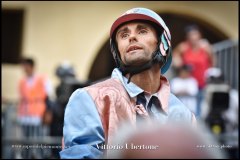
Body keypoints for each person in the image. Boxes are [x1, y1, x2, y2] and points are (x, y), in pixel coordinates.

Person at [60, 8, 196, 159]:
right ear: (117, 51)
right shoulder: (89, 99)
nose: (131, 37)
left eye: (142, 31)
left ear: (162, 42)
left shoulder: (184, 115)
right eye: (124, 35)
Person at [172, 25, 216, 117]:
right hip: (188, 83)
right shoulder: (183, 47)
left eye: (195, 34)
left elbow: (213, 61)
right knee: (187, 107)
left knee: (200, 107)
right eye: (191, 35)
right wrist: (178, 63)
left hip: (202, 82)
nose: (193, 37)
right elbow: (174, 58)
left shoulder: (205, 47)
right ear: (187, 37)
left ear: (199, 35)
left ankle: (197, 126)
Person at [17, 57, 53, 158]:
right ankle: (26, 156)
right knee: (26, 139)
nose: (24, 69)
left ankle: (41, 156)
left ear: (31, 66)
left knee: (39, 138)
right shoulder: (22, 81)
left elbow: (49, 95)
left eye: (26, 66)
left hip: (38, 114)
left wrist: (48, 112)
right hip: (25, 116)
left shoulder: (42, 79)